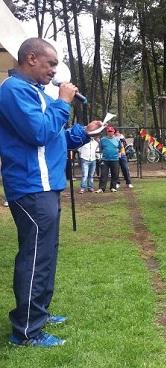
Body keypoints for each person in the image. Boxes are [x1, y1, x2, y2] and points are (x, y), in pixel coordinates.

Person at [0, 37, 103, 346]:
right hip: (32, 186)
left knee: (45, 254)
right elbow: (40, 133)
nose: (55, 71)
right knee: (35, 258)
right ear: (31, 58)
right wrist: (63, 102)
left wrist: (84, 132)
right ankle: (27, 330)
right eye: (51, 64)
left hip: (46, 185)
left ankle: (38, 312)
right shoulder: (13, 91)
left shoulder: (33, 92)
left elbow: (54, 138)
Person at [96, 126, 122, 193]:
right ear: (107, 132)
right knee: (103, 174)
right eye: (109, 131)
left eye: (111, 131)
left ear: (113, 132)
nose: (110, 133)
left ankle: (113, 187)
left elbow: (120, 147)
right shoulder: (103, 140)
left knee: (115, 174)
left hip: (115, 159)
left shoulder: (117, 139)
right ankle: (101, 188)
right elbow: (101, 149)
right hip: (105, 160)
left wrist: (118, 153)